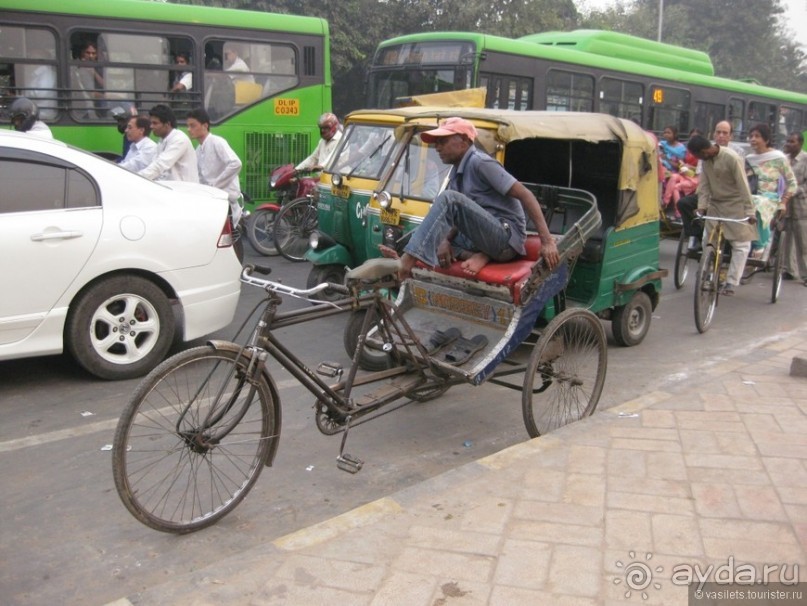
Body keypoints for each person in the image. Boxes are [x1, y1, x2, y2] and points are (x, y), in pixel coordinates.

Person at [393, 117, 559, 280]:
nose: (437, 148)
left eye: (442, 141)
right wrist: (444, 240)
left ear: (464, 140)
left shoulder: (481, 162)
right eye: (436, 143)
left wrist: (547, 242)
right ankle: (478, 255)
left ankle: (407, 261)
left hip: (505, 239)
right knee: (418, 233)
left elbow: (526, 194)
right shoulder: (456, 172)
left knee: (448, 199)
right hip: (480, 238)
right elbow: (456, 218)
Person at [687, 134, 757, 296]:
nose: (699, 159)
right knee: (708, 240)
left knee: (740, 245)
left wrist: (750, 211)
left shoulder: (731, 157)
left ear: (704, 150)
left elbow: (743, 185)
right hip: (716, 204)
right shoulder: (705, 161)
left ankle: (732, 282)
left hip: (736, 203)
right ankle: (708, 273)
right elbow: (704, 186)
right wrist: (701, 207)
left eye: (698, 155)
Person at [679, 121, 741, 251]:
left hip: (729, 197)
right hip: (708, 194)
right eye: (718, 132)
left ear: (731, 136)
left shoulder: (737, 153)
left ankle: (729, 244)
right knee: (684, 203)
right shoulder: (705, 151)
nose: (721, 136)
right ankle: (698, 234)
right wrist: (701, 202)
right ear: (713, 134)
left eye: (725, 133)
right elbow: (702, 181)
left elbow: (741, 179)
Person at [745, 122, 797, 256]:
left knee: (756, 203)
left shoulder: (778, 158)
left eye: (757, 136)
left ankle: (760, 245)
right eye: (751, 136)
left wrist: (783, 203)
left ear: (766, 139)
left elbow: (792, 183)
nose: (753, 139)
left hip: (769, 198)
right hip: (749, 195)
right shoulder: (749, 159)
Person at [187, 107, 244, 224]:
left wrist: (215, 185)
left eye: (193, 126)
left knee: (228, 239)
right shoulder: (198, 149)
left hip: (225, 200)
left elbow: (236, 163)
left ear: (205, 126)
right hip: (211, 199)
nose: (189, 129)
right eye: (188, 126)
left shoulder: (217, 142)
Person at [138, 104, 198, 182]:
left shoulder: (179, 139)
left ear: (167, 124)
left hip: (184, 190)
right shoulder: (161, 141)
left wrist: (137, 178)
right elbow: (154, 165)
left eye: (155, 123)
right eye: (151, 123)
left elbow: (160, 165)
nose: (151, 126)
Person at [783, 132, 807, 285]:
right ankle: (790, 270)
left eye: (792, 142)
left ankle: (805, 274)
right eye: (788, 141)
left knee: (803, 242)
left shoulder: (805, 160)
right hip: (786, 206)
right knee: (787, 240)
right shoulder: (785, 159)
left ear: (800, 144)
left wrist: (795, 191)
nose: (789, 144)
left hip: (801, 206)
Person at [662, 127, 701, 215]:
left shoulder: (701, 152)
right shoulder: (688, 150)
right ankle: (665, 202)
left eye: (695, 137)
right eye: (691, 137)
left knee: (676, 187)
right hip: (685, 174)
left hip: (694, 178)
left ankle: (678, 211)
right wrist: (682, 164)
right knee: (673, 177)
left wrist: (689, 167)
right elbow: (681, 162)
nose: (693, 139)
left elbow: (700, 169)